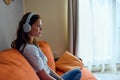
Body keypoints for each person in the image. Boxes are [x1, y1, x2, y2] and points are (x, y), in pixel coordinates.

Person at [11, 12, 81, 80]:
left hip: (50, 76)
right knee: (77, 72)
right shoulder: (29, 49)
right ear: (27, 27)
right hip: (48, 78)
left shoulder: (33, 45)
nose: (41, 29)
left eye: (41, 26)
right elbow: (44, 77)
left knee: (77, 72)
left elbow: (46, 68)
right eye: (38, 26)